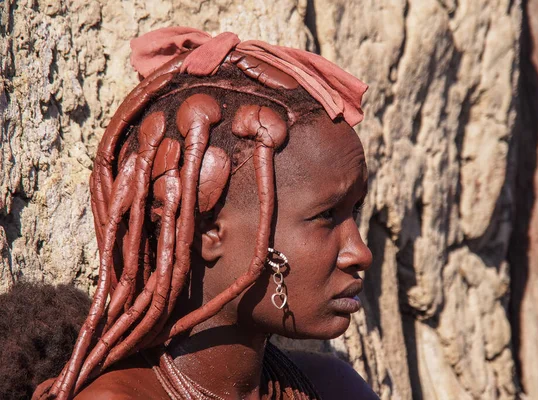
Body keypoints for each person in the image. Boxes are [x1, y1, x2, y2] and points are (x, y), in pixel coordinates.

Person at [33, 27, 378, 400]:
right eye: (326, 216)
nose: (360, 253)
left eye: (354, 211)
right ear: (208, 231)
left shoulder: (336, 388)